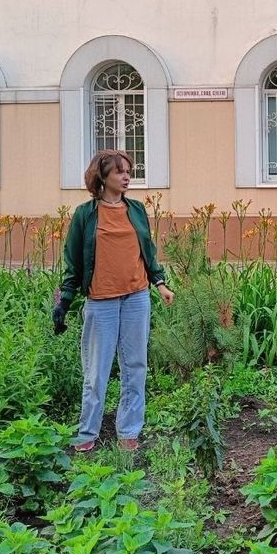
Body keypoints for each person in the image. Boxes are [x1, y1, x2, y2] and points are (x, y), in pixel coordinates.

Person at [51, 149, 174, 452]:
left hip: (137, 297)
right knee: (96, 370)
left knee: (135, 366)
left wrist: (160, 283)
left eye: (129, 171)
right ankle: (87, 432)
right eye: (119, 171)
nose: (126, 176)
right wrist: (64, 301)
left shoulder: (136, 210)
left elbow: (148, 251)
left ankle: (129, 430)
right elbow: (73, 261)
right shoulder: (85, 215)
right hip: (101, 301)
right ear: (102, 177)